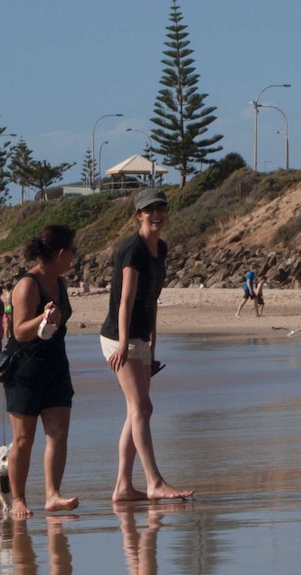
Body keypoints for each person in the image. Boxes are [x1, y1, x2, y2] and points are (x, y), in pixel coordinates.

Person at [100, 189, 193, 502]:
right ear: (138, 215)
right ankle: (154, 482)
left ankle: (123, 486)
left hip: (140, 336)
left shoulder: (160, 248)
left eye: (160, 209)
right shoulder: (133, 249)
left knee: (138, 409)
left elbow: (152, 299)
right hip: (118, 336)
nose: (156, 215)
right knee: (141, 407)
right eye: (149, 210)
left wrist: (153, 341)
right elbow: (125, 299)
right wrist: (124, 343)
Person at [6, 225, 79, 518]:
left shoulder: (59, 283)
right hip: (25, 369)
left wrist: (55, 318)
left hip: (56, 365)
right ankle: (18, 500)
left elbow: (58, 322)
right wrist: (43, 318)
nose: (75, 256)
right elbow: (20, 332)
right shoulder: (28, 285)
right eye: (73, 251)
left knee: (58, 432)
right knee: (24, 439)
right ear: (61, 253)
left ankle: (53, 495)